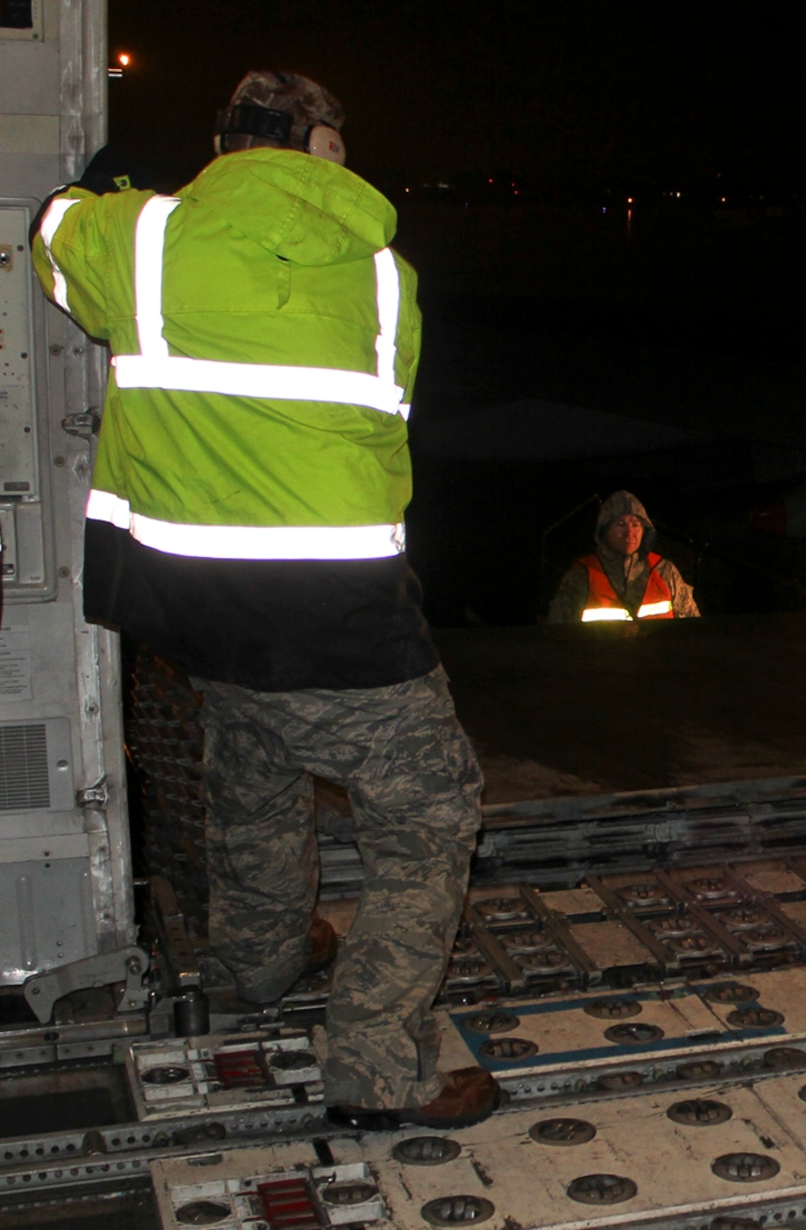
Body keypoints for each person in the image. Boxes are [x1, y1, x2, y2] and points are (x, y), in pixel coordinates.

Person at [32, 70, 495, 1128]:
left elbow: (49, 229)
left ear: (227, 144)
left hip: (193, 602)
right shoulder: (386, 278)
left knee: (253, 764)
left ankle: (258, 960)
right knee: (431, 811)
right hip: (338, 609)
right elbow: (386, 411)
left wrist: (97, 192)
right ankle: (380, 1065)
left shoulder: (140, 241)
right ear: (322, 148)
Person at [547, 491, 701, 623]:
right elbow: (558, 636)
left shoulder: (665, 571)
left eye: (636, 525)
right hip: (602, 658)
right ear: (605, 530)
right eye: (621, 524)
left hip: (658, 658)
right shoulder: (581, 576)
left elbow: (692, 629)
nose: (629, 533)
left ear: (644, 530)